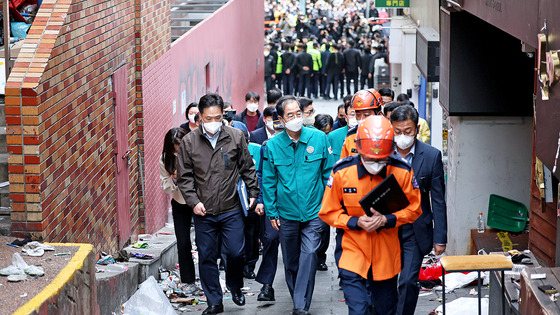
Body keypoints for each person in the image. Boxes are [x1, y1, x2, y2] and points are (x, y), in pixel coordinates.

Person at [319, 115, 422, 315]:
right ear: (358, 149)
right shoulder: (342, 172)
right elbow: (328, 212)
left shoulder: (402, 172)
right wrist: (355, 222)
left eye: (381, 159)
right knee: (359, 310)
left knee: (385, 310)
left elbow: (414, 209)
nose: (375, 163)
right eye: (369, 159)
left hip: (386, 256)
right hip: (352, 252)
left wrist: (388, 219)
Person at [177, 93, 259, 315]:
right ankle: (214, 300)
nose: (213, 122)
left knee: (234, 253)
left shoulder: (235, 137)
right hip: (204, 211)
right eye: (208, 118)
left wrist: (253, 192)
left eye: (217, 117)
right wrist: (193, 202)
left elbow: (247, 167)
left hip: (231, 208)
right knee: (206, 257)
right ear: (199, 117)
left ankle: (234, 286)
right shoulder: (188, 142)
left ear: (223, 114)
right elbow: (184, 178)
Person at [262, 96, 333, 315]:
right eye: (290, 115)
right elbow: (268, 181)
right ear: (281, 120)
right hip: (286, 214)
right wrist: (272, 211)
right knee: (291, 261)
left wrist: (327, 206)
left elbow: (328, 174)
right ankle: (298, 299)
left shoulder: (319, 139)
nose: (295, 118)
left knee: (310, 254)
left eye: (298, 114)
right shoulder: (272, 145)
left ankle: (301, 305)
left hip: (314, 212)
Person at [390, 105, 447, 315]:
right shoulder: (382, 153)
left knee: (407, 281)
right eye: (397, 132)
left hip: (415, 230)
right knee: (384, 282)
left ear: (416, 128)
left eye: (408, 131)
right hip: (386, 227)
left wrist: (440, 237)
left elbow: (438, 200)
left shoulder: (431, 156)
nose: (403, 136)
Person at [160, 128, 199, 295]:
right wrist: (175, 179)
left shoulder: (197, 153)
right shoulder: (165, 160)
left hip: (199, 201)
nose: (179, 151)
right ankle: (188, 280)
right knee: (183, 243)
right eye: (176, 148)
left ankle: (207, 278)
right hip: (180, 202)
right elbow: (165, 185)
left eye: (182, 146)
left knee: (204, 242)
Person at [340, 89, 383, 159]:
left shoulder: (387, 135)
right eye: (358, 115)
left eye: (366, 115)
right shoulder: (351, 136)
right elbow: (343, 166)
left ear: (379, 114)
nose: (361, 119)